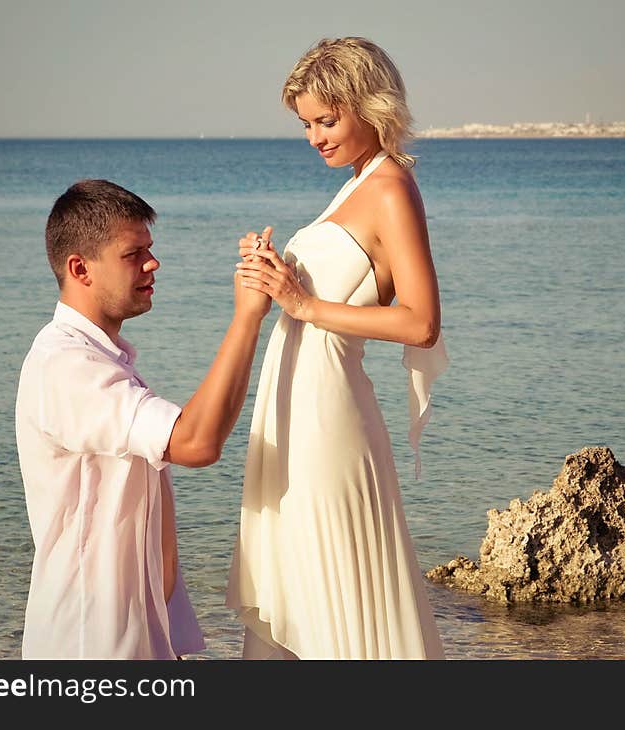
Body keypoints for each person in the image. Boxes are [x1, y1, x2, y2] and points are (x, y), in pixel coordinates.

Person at [226, 37, 448, 659]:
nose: (315, 136)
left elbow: (421, 322)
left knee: (331, 589)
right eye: (306, 124)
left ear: (370, 108)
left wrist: (303, 304)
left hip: (330, 418)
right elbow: (315, 298)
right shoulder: (355, 186)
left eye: (328, 120)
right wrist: (270, 276)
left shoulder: (390, 188)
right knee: (297, 584)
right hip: (297, 409)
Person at [15, 179, 269, 659]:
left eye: (150, 250)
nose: (153, 264)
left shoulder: (102, 359)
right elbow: (196, 443)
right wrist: (246, 318)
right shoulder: (68, 366)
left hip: (128, 635)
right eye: (134, 254)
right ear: (80, 268)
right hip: (90, 644)